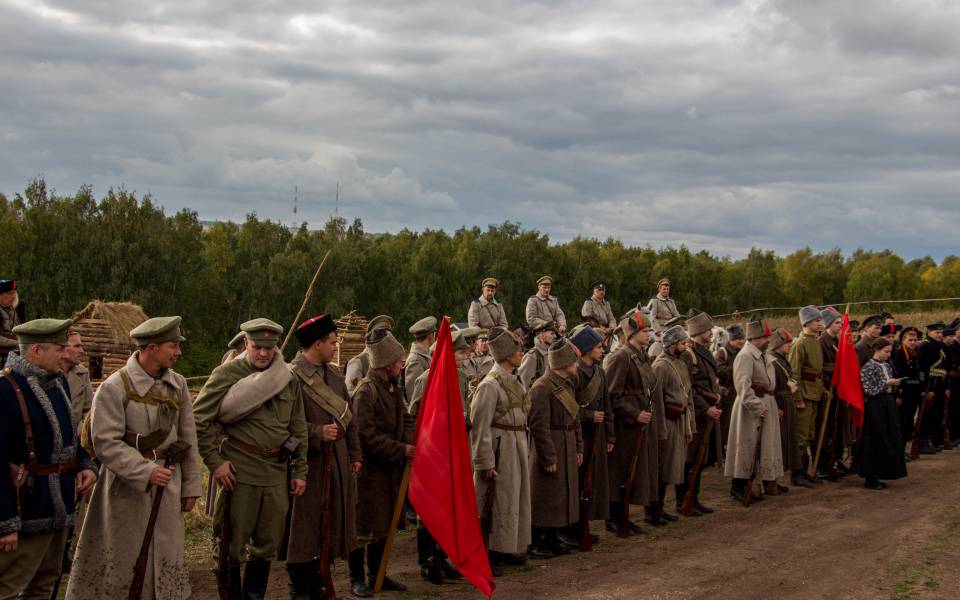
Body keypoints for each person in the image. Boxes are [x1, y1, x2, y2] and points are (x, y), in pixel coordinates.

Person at [66, 316, 202, 600]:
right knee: (122, 565)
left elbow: (188, 438)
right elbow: (106, 442)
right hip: (124, 491)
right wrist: (145, 471)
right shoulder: (114, 387)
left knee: (166, 560)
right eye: (172, 346)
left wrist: (191, 487)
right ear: (151, 348)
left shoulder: (177, 384)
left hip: (168, 486)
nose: (178, 352)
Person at [194, 318, 308, 600]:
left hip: (275, 473)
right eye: (257, 346)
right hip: (239, 472)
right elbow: (198, 420)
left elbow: (298, 427)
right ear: (246, 344)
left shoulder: (287, 378)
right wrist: (215, 462)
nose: (263, 353)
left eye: (269, 348)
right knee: (231, 544)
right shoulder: (227, 374)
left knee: (267, 544)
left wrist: (300, 470)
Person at [0, 318, 98, 599]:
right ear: (36, 351)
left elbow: (66, 441)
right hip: (26, 508)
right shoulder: (6, 390)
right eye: (59, 347)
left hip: (60, 506)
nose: (65, 352)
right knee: (8, 586)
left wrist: (84, 464)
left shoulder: (58, 385)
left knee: (46, 584)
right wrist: (4, 521)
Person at [282, 315, 362, 599]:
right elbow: (280, 427)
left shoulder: (335, 375)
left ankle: (320, 578)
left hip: (337, 463)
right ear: (317, 344)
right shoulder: (290, 376)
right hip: (306, 467)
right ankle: (300, 587)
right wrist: (316, 433)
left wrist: (354, 454)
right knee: (303, 530)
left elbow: (349, 418)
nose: (335, 345)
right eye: (331, 341)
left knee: (330, 526)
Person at [349, 330, 414, 595]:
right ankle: (357, 579)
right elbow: (365, 437)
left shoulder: (393, 386)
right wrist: (401, 450)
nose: (402, 364)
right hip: (370, 473)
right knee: (363, 529)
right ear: (388, 364)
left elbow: (406, 418)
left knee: (384, 526)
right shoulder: (366, 392)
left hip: (391, 470)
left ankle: (379, 575)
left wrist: (409, 442)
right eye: (399, 361)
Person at [408, 329, 471, 582]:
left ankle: (443, 556)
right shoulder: (426, 379)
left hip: (454, 450)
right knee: (428, 512)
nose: (465, 357)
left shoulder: (462, 377)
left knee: (449, 507)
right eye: (461, 353)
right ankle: (427, 561)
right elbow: (415, 415)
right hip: (432, 453)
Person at [470, 327, 531, 570]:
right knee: (496, 501)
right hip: (499, 448)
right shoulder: (490, 385)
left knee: (514, 498)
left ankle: (506, 547)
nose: (520, 353)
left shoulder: (515, 378)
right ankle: (489, 553)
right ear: (506, 354)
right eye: (517, 349)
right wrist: (485, 462)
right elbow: (480, 427)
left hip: (516, 444)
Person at [605, 312, 666, 532]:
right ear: (633, 333)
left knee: (635, 469)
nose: (649, 334)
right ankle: (614, 517)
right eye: (645, 331)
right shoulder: (620, 357)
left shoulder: (640, 356)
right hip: (625, 426)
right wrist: (633, 413)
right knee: (621, 470)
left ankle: (624, 515)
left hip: (640, 422)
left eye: (649, 330)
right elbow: (612, 395)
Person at [527, 340, 583, 558]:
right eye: (573, 361)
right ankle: (538, 542)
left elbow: (574, 417)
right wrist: (548, 457)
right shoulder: (541, 387)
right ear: (563, 363)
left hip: (566, 442)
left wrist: (578, 446)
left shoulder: (568, 383)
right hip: (552, 444)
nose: (577, 365)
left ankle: (553, 537)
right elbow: (538, 427)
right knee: (546, 496)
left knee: (561, 494)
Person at [725, 318, 783, 504]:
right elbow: (743, 386)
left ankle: (760, 481)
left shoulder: (762, 354)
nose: (768, 340)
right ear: (756, 337)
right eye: (765, 337)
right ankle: (739, 486)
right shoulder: (745, 356)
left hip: (766, 404)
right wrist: (758, 407)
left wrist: (772, 406)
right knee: (746, 446)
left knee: (764, 446)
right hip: (750, 410)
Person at [570, 325, 613, 539]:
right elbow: (567, 405)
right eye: (598, 347)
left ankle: (584, 523)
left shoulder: (600, 372)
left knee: (591, 480)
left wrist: (610, 435)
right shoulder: (574, 372)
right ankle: (574, 527)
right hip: (580, 435)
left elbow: (607, 405)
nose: (602, 350)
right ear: (586, 349)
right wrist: (588, 416)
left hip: (597, 434)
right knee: (578, 480)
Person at [680, 311, 723, 514]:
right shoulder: (689, 355)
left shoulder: (703, 351)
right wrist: (706, 408)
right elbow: (688, 388)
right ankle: (684, 500)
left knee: (701, 458)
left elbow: (708, 382)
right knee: (690, 460)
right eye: (708, 330)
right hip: (696, 414)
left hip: (707, 411)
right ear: (699, 332)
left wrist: (717, 394)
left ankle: (693, 498)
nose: (711, 333)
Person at [652, 326, 695, 520]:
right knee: (662, 467)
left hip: (680, 420)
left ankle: (661, 509)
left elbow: (687, 394)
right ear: (672, 345)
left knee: (672, 466)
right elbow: (656, 399)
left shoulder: (681, 364)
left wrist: (689, 425)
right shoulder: (660, 366)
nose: (685, 346)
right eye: (681, 343)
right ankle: (654, 510)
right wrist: (661, 428)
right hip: (667, 421)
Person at [859, 337, 908, 489]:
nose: (888, 354)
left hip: (888, 403)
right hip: (875, 405)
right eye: (886, 351)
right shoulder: (868, 367)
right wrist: (886, 383)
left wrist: (895, 386)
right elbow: (868, 389)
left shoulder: (886, 365)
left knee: (889, 436)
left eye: (890, 352)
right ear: (876, 350)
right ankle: (871, 477)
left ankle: (884, 472)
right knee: (876, 439)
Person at [766, 328, 806, 489]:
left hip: (786, 400)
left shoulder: (781, 359)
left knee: (787, 441)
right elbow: (770, 386)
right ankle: (770, 481)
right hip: (778, 401)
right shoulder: (772, 360)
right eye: (786, 343)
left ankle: (775, 480)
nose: (789, 345)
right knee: (777, 442)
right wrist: (775, 405)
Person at [789, 306, 825, 482]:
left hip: (814, 393)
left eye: (820, 320)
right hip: (804, 394)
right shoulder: (800, 343)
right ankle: (797, 473)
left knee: (810, 434)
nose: (820, 323)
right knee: (801, 436)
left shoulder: (815, 341)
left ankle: (804, 471)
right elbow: (794, 373)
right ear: (807, 322)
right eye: (817, 320)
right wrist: (798, 399)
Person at [917, 323, 948, 454]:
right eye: (936, 332)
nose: (940, 335)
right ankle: (922, 441)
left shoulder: (941, 346)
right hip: (929, 384)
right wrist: (925, 388)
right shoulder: (925, 346)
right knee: (926, 415)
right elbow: (921, 368)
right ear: (929, 332)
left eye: (941, 333)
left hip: (939, 384)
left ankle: (932, 439)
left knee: (936, 414)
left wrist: (946, 387)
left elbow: (945, 367)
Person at [344, 315, 395, 396]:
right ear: (371, 336)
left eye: (388, 334)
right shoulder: (357, 363)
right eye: (380, 334)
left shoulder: (392, 363)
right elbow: (352, 397)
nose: (385, 338)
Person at [892, 327, 922, 459]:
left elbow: (920, 370)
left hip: (913, 392)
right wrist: (898, 394)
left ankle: (903, 449)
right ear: (904, 340)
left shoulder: (915, 352)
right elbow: (898, 374)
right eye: (910, 340)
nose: (913, 342)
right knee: (901, 422)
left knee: (908, 421)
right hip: (904, 393)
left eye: (915, 340)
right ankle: (899, 450)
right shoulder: (900, 353)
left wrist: (921, 383)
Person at [716, 323, 746, 456]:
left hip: (741, 390)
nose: (741, 341)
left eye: (742, 338)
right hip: (729, 393)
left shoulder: (743, 352)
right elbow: (719, 370)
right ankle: (723, 450)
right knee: (727, 423)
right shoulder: (722, 352)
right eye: (737, 339)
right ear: (730, 339)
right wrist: (738, 371)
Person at [60, 330, 93, 433]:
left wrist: (82, 428)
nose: (82, 351)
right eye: (77, 346)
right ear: (63, 349)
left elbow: (89, 409)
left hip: (77, 438)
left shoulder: (82, 373)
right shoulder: (48, 374)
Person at [404, 316, 437, 406]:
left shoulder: (426, 356)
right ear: (430, 335)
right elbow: (414, 397)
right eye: (434, 333)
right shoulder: (415, 360)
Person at [518, 323, 557, 390]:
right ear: (542, 334)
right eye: (552, 333)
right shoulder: (532, 356)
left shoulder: (552, 353)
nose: (555, 336)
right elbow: (523, 384)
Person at [0, 279, 19, 361]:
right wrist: (17, 343)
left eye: (14, 292)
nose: (13, 296)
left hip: (12, 354)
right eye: (9, 293)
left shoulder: (12, 310)